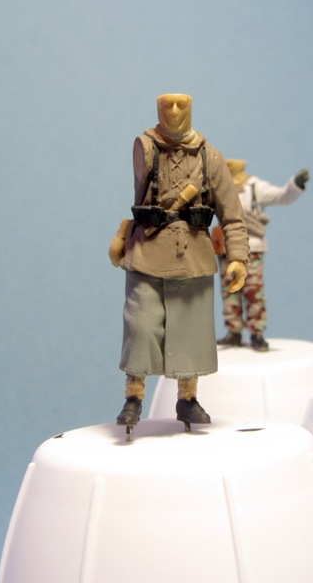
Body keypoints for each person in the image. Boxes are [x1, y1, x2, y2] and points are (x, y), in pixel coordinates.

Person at [108, 93, 248, 436]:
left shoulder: (210, 157)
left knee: (191, 331)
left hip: (192, 255)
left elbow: (232, 215)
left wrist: (238, 258)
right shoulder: (146, 148)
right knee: (141, 327)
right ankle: (133, 396)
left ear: (190, 108)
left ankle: (188, 398)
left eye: (180, 105)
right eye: (166, 105)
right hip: (147, 251)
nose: (173, 111)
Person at [212, 159, 309, 351]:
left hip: (252, 247)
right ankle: (233, 331)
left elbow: (282, 196)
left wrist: (295, 184)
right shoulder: (218, 186)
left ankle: (257, 332)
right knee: (229, 291)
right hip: (227, 247)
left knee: (253, 291)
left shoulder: (255, 186)